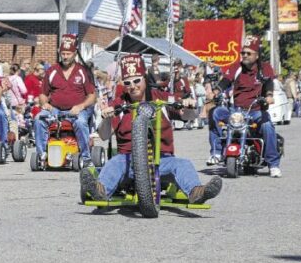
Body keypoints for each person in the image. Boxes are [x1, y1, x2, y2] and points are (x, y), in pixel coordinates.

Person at [79, 54, 222, 204]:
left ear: (145, 78)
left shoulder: (162, 98)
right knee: (114, 163)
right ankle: (100, 190)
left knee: (183, 164)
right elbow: (104, 135)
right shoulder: (119, 104)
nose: (132, 86)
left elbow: (188, 115)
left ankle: (197, 192)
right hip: (128, 161)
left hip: (161, 159)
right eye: (128, 83)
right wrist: (106, 118)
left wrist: (189, 105)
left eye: (136, 81)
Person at [207, 35, 281, 178]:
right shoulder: (237, 67)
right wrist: (214, 92)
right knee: (215, 113)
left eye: (248, 53)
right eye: (243, 53)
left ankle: (273, 164)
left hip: (255, 111)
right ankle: (216, 152)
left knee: (267, 125)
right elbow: (225, 82)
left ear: (257, 55)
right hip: (236, 111)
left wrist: (269, 96)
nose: (245, 56)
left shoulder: (264, 68)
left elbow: (268, 83)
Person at [33, 34, 97, 165]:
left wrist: (80, 106)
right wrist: (44, 103)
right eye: (63, 53)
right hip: (55, 109)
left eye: (68, 53)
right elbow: (43, 94)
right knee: (39, 118)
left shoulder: (82, 71)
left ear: (75, 53)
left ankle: (86, 157)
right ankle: (42, 155)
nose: (65, 56)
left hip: (78, 110)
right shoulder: (52, 71)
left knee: (80, 122)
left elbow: (92, 96)